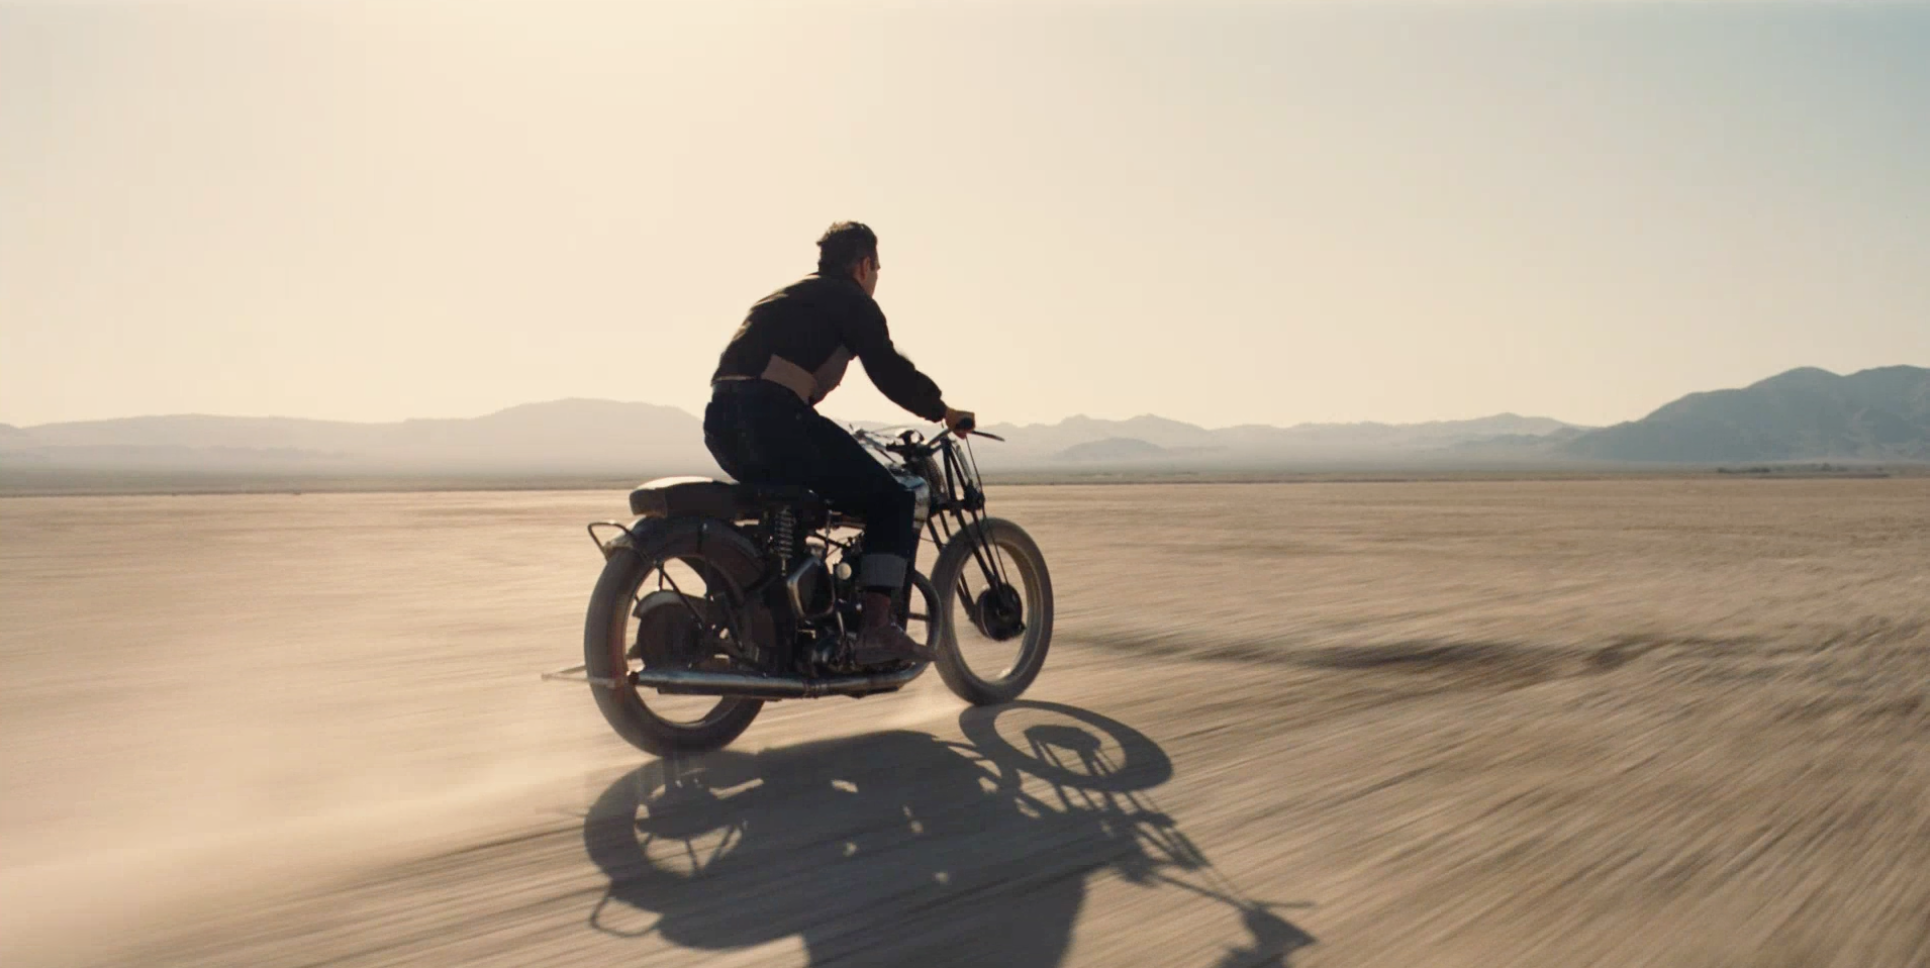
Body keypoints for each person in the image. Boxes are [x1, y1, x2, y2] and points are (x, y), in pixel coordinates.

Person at [704, 222, 974, 665]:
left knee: (796, 508)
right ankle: (876, 629)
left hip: (722, 423)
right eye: (877, 269)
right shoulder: (851, 298)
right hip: (773, 418)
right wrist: (942, 410)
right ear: (864, 265)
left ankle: (793, 611)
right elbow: (888, 369)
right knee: (893, 499)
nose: (876, 278)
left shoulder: (785, 296)